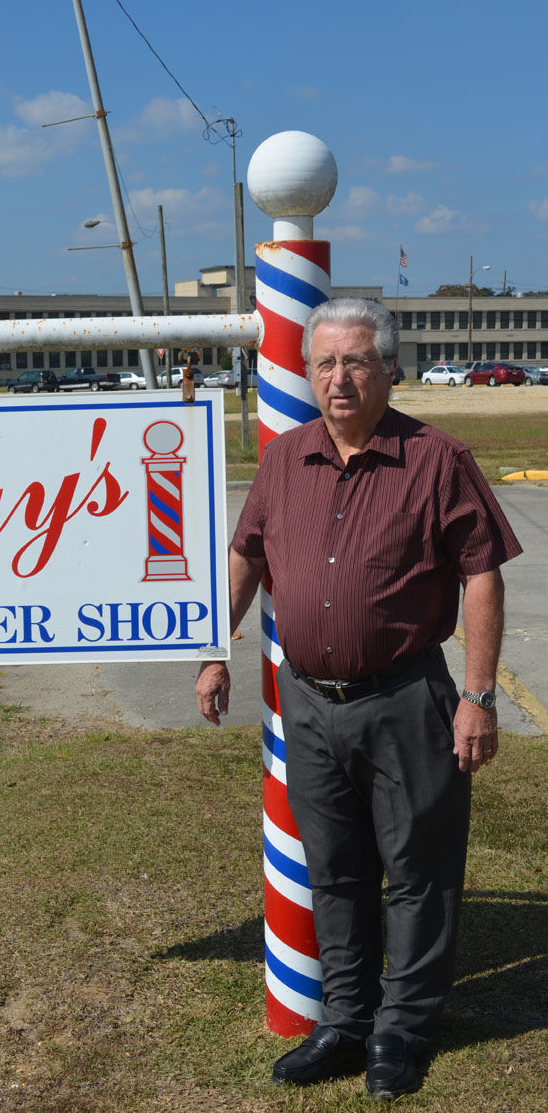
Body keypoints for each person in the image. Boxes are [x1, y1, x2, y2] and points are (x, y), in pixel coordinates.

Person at [195, 298, 522, 1101]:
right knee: (334, 867)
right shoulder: (283, 460)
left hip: (405, 696)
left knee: (417, 869)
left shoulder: (436, 458)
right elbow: (244, 553)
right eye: (324, 364)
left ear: (387, 368)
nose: (337, 378)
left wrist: (476, 694)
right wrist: (215, 649)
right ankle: (345, 1019)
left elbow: (481, 572)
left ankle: (403, 1027)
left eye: (355, 361)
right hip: (307, 703)